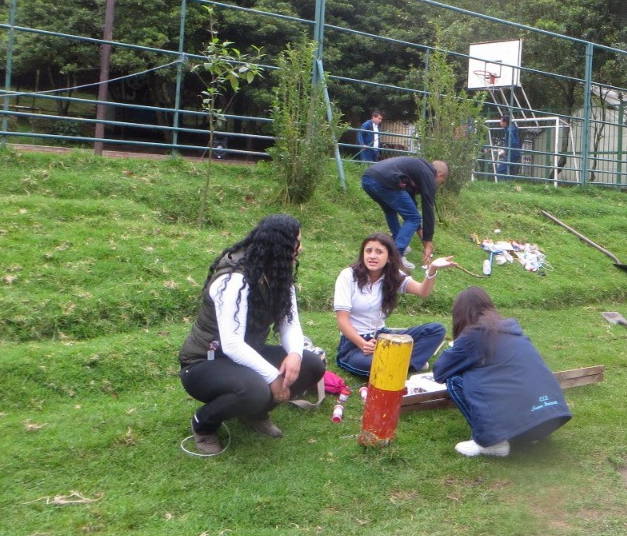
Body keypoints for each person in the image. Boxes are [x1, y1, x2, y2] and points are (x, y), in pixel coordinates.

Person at [178, 214, 326, 455]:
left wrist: (296, 356)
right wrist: (272, 376)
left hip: (245, 356)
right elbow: (232, 344)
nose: (300, 249)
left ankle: (253, 412)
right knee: (256, 389)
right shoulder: (234, 280)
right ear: (279, 246)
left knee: (311, 364)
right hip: (205, 361)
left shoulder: (278, 273)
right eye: (296, 243)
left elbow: (290, 324)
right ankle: (203, 423)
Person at [432, 286, 572, 457]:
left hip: (532, 420)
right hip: (549, 418)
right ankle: (524, 435)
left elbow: (440, 371)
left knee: (456, 380)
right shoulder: (512, 330)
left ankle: (492, 442)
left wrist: (456, 350)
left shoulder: (474, 334)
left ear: (461, 314)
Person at [333, 232, 452, 376]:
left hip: (383, 337)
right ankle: (408, 362)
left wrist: (432, 269)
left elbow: (423, 291)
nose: (372, 256)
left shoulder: (393, 275)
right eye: (368, 251)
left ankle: (399, 362)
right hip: (354, 344)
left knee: (436, 330)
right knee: (375, 364)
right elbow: (342, 320)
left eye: (379, 252)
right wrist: (362, 344)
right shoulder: (348, 276)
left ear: (389, 258)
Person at [360, 155, 449, 270]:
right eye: (441, 182)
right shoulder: (428, 175)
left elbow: (411, 203)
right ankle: (396, 255)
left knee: (390, 210)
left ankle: (397, 242)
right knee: (414, 218)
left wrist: (421, 232)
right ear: (439, 175)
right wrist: (428, 241)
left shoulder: (417, 169)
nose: (438, 184)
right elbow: (428, 208)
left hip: (368, 178)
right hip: (384, 181)